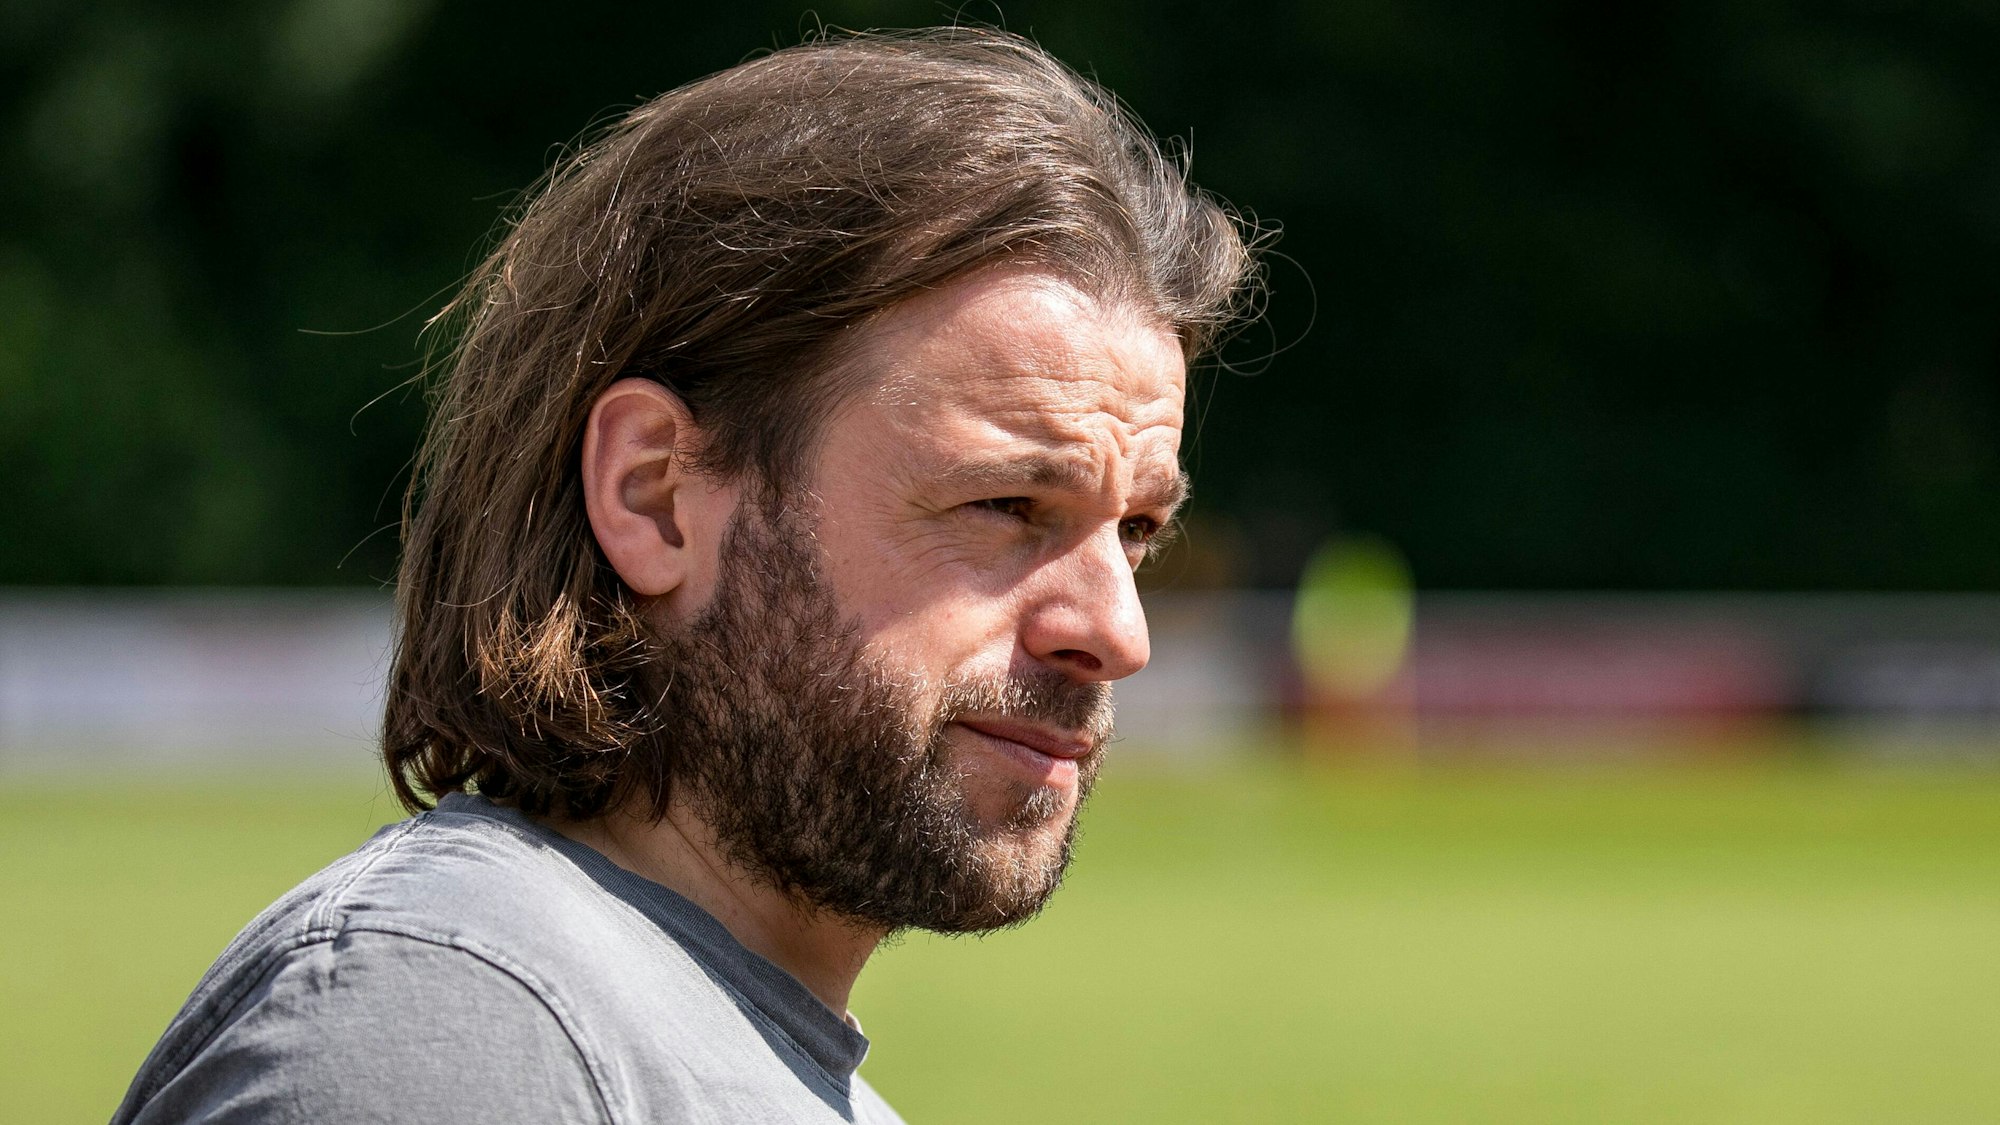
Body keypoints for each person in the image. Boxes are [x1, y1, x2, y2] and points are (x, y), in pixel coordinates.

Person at [114, 27, 1257, 1124]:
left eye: (1138, 528)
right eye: (1005, 505)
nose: (1115, 630)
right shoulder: (448, 1028)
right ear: (653, 493)